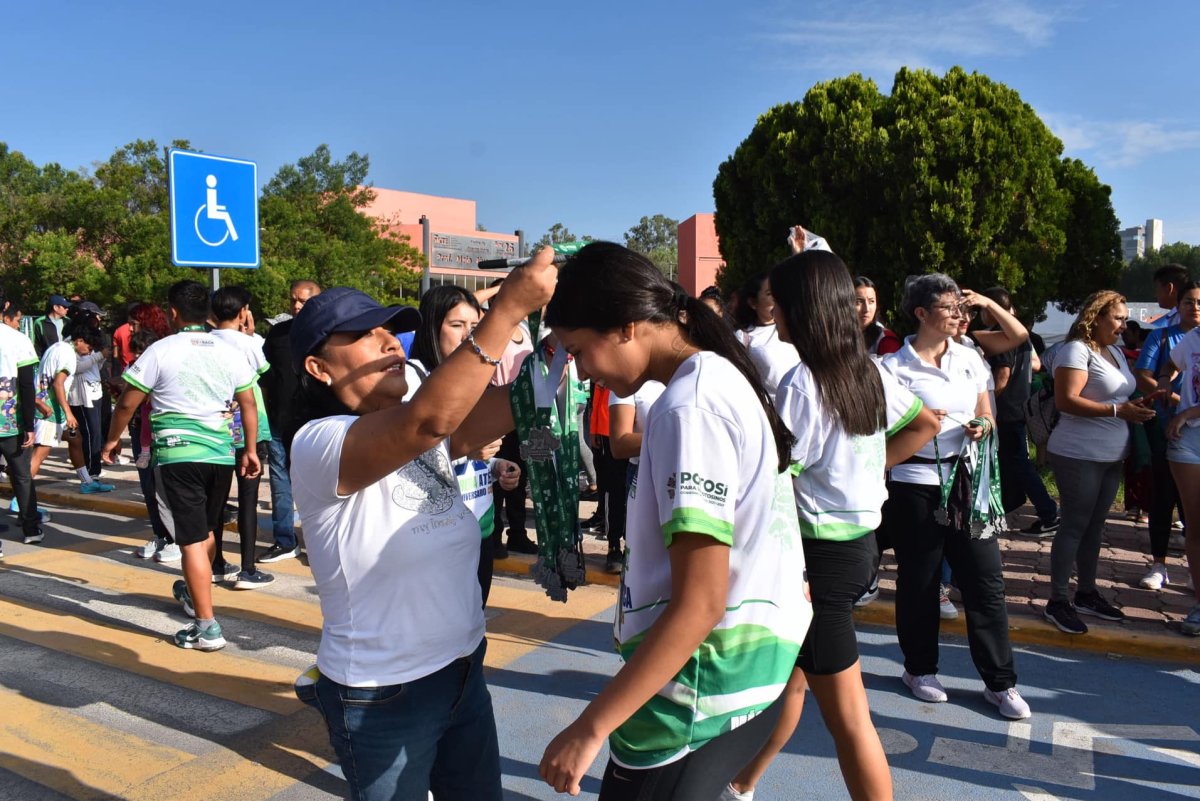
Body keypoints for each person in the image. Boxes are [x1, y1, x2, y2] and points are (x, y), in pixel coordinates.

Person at [538, 242, 812, 799]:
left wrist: (591, 727)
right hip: (742, 676)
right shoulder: (716, 378)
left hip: (693, 697)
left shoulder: (691, 407)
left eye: (580, 351)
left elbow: (700, 602)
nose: (585, 372)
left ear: (625, 327)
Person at [288, 250, 555, 801]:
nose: (389, 342)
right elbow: (430, 420)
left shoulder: (419, 425)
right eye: (363, 335)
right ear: (319, 368)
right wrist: (505, 310)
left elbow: (511, 402)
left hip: (460, 670)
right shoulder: (319, 442)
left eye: (390, 330)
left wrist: (561, 339)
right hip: (383, 692)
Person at [722, 251, 939, 801]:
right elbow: (926, 423)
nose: (772, 315)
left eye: (778, 304)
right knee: (792, 687)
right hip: (854, 548)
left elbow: (769, 472)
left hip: (815, 556)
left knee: (848, 719)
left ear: (801, 311)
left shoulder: (803, 382)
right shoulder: (866, 370)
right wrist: (869, 468)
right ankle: (743, 782)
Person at [880, 273, 1033, 721]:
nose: (959, 315)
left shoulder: (971, 358)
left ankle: (1000, 682)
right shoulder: (892, 368)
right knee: (921, 582)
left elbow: (988, 414)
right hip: (915, 484)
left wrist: (982, 426)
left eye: (960, 307)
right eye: (949, 307)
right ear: (921, 313)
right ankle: (919, 669)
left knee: (986, 582)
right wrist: (921, 423)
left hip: (969, 483)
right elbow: (882, 431)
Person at [102, 280, 261, 652]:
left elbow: (128, 402)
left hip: (178, 454)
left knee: (189, 539)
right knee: (204, 532)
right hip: (221, 454)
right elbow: (249, 403)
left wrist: (112, 440)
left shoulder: (160, 350)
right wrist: (250, 449)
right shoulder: (228, 351)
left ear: (173, 313)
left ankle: (207, 627)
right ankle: (194, 590)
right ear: (206, 312)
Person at [1042, 291, 1155, 635]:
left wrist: (1142, 403)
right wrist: (1120, 411)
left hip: (1111, 454)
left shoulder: (1116, 352)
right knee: (1074, 525)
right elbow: (1066, 401)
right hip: (1079, 453)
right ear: (1096, 317)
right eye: (1118, 318)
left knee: (1095, 526)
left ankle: (1086, 593)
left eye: (1123, 319)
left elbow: (1118, 393)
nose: (1125, 324)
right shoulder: (1075, 350)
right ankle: (1058, 600)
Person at [409, 284, 521, 605]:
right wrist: (462, 449)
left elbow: (476, 455)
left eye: (475, 328)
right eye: (456, 325)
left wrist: (496, 466)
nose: (468, 336)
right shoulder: (413, 379)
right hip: (435, 532)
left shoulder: (479, 383)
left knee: (473, 628)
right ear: (431, 326)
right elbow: (407, 455)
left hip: (480, 526)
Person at [977, 287, 1059, 536]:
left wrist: (987, 403)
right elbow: (1036, 365)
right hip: (1020, 407)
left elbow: (1002, 375)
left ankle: (1048, 513)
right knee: (1009, 464)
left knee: (1018, 464)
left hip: (1005, 411)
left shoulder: (997, 337)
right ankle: (1005, 509)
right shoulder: (1021, 337)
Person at [210, 286, 276, 590]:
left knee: (218, 500)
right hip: (251, 426)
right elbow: (266, 375)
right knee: (248, 499)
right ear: (243, 312)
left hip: (217, 428)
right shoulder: (251, 344)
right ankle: (248, 567)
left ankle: (217, 562)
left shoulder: (205, 342)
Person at [1134, 280, 1198, 589]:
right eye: (1189, 301)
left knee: (1193, 508)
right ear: (1179, 304)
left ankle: (1193, 571)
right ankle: (1159, 564)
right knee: (1164, 497)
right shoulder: (1162, 337)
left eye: (1199, 302)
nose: (1195, 307)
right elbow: (1147, 375)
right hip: (1170, 429)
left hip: (1190, 422)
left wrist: (1187, 409)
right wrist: (1170, 394)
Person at [258, 279, 320, 563]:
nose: (296, 306)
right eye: (293, 300)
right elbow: (267, 379)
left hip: (317, 424)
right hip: (279, 423)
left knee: (320, 485)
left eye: (303, 301)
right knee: (280, 482)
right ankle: (285, 540)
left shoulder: (328, 332)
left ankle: (321, 542)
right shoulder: (278, 334)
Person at [28, 330, 108, 525]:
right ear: (79, 340)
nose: (88, 352)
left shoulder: (57, 347)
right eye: (88, 348)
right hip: (50, 410)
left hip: (50, 406)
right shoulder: (68, 355)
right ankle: (22, 501)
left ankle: (86, 481)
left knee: (75, 438)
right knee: (40, 454)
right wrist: (69, 413)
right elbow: (58, 384)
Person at [1160, 296, 1200, 636]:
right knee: (1195, 526)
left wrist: (1188, 411)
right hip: (1187, 442)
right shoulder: (1191, 339)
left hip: (1188, 424)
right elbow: (1170, 365)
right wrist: (1166, 383)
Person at [0, 286, 43, 553]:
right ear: (5, 307)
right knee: (22, 477)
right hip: (11, 423)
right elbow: (27, 386)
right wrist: (29, 425)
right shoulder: (17, 339)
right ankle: (30, 528)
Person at [607, 378, 666, 572]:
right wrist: (674, 434)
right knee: (642, 557)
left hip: (682, 472)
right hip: (642, 474)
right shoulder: (626, 382)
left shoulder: (684, 376)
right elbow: (620, 443)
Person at [734, 273, 796, 398]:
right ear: (753, 303)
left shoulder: (793, 327)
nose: (776, 298)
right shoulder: (744, 337)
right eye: (769, 294)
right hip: (772, 410)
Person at [854, 276, 902, 357]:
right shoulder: (838, 334)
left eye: (871, 301)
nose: (866, 309)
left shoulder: (885, 340)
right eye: (859, 302)